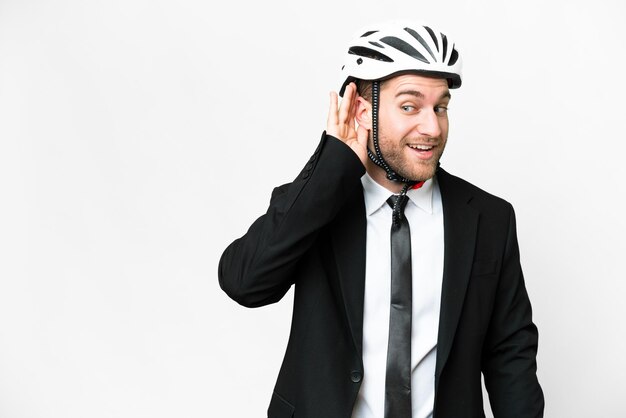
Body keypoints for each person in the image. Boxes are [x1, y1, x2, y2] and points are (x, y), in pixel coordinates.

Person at [218, 21, 544, 418]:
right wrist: (331, 164)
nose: (432, 127)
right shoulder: (320, 205)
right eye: (410, 106)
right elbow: (245, 283)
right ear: (360, 109)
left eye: (440, 107)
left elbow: (510, 352)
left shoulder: (489, 218)